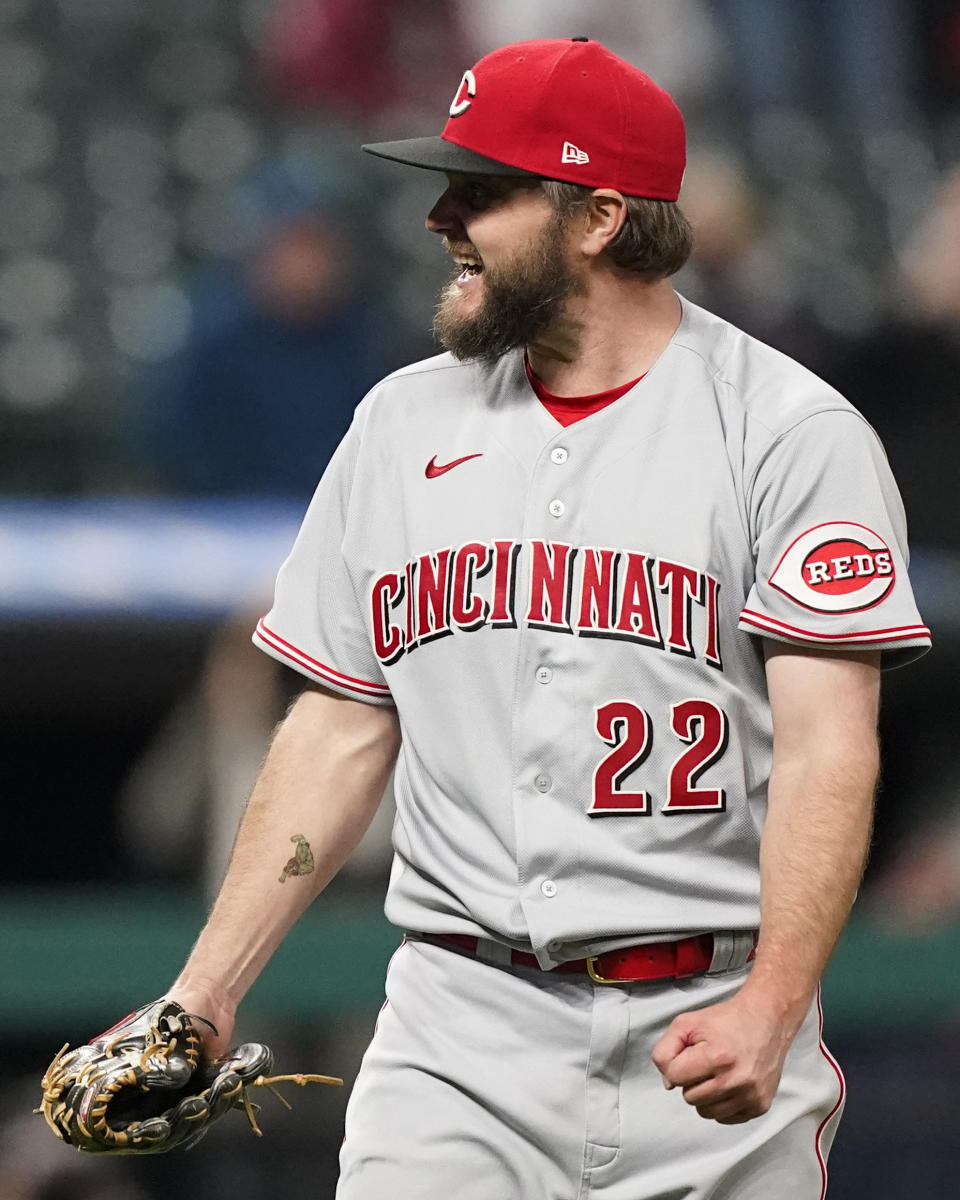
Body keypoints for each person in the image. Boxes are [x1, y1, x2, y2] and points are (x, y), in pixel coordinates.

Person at [165, 39, 931, 1198]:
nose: (440, 217)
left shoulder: (790, 432)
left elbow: (832, 748)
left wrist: (774, 1009)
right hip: (457, 1028)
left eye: (483, 190)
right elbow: (340, 727)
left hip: (709, 1024)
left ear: (600, 217)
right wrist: (205, 992)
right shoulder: (401, 425)